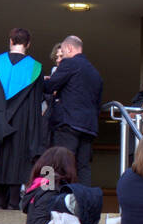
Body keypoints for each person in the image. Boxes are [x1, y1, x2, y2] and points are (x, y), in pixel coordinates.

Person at [0, 27, 47, 210]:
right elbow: (38, 102)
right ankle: (14, 203)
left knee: (0, 158)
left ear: (11, 41)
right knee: (17, 161)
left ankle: (1, 202)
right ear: (28, 44)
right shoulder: (36, 68)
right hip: (22, 124)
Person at [43, 35, 104, 186]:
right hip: (89, 127)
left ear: (69, 48)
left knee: (59, 163)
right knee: (83, 167)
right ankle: (82, 202)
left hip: (68, 123)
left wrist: (44, 81)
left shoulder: (69, 63)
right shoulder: (95, 73)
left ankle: (52, 199)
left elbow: (50, 87)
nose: (61, 57)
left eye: (62, 52)